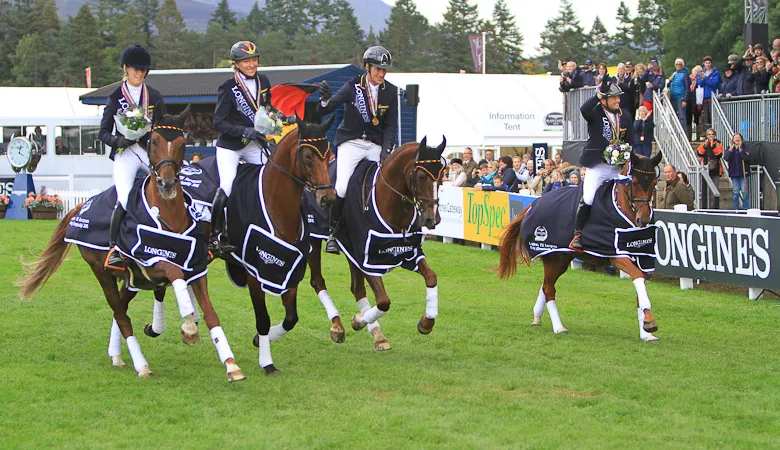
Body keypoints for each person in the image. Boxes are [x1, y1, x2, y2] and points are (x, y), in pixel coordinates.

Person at [317, 45, 398, 254]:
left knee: (382, 186)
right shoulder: (353, 86)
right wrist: (325, 98)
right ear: (367, 67)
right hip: (351, 143)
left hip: (374, 145)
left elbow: (390, 126)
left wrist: (386, 150)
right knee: (342, 187)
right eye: (378, 69)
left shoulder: (390, 91)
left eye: (384, 70)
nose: (382, 73)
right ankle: (333, 234)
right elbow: (328, 107)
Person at [98, 44, 165, 270]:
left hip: (147, 151)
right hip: (125, 152)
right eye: (136, 69)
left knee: (168, 185)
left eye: (143, 70)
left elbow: (163, 127)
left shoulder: (154, 95)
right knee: (125, 197)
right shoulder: (116, 96)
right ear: (125, 69)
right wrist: (118, 141)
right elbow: (103, 132)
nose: (140, 73)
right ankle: (114, 248)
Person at [209, 40, 273, 259]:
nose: (252, 64)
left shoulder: (264, 81)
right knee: (227, 185)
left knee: (270, 179)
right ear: (236, 64)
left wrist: (276, 121)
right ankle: (215, 235)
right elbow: (219, 122)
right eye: (247, 61)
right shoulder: (227, 88)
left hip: (255, 144)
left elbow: (267, 110)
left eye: (254, 60)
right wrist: (244, 131)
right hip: (231, 146)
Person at [569, 76, 634, 251]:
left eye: (618, 97)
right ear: (604, 99)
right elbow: (584, 109)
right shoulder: (596, 112)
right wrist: (598, 94)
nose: (618, 100)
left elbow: (630, 140)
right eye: (613, 97)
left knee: (629, 196)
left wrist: (626, 155)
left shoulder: (625, 116)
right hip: (597, 165)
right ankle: (578, 234)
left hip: (616, 167)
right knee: (589, 198)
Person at [723, 133, 751, 210]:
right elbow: (726, 158)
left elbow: (746, 158)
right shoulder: (730, 148)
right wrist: (731, 149)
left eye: (738, 137)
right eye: (735, 138)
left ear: (741, 139)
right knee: (735, 192)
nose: (737, 139)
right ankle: (735, 209)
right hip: (734, 173)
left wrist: (741, 150)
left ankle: (745, 209)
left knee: (744, 192)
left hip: (744, 173)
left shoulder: (746, 147)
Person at [697, 129, 723, 208]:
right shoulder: (703, 143)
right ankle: (705, 207)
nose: (711, 136)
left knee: (715, 190)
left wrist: (712, 146)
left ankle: (715, 208)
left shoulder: (718, 144)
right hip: (705, 169)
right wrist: (705, 146)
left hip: (715, 169)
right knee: (705, 190)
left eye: (712, 134)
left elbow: (719, 154)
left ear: (714, 135)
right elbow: (699, 153)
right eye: (709, 134)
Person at [667, 58, 690, 132]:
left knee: (682, 116)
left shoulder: (685, 75)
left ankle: (683, 132)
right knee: (673, 116)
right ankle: (674, 132)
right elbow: (668, 85)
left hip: (680, 97)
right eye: (677, 64)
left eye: (680, 64)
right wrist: (669, 81)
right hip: (673, 97)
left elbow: (687, 87)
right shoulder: (674, 74)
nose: (678, 66)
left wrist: (685, 99)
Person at [700, 57, 720, 135]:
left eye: (709, 63)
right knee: (706, 117)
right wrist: (702, 79)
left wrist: (705, 79)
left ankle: (714, 133)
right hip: (704, 97)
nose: (707, 65)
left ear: (711, 63)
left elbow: (714, 83)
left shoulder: (715, 72)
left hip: (712, 97)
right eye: (706, 63)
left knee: (713, 116)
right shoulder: (702, 72)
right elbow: (700, 83)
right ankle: (708, 134)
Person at [686, 65, 704, 141]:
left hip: (697, 101)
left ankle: (698, 137)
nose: (696, 72)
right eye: (695, 71)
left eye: (698, 71)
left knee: (697, 119)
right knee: (688, 119)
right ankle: (688, 137)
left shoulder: (700, 80)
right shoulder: (688, 79)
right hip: (689, 100)